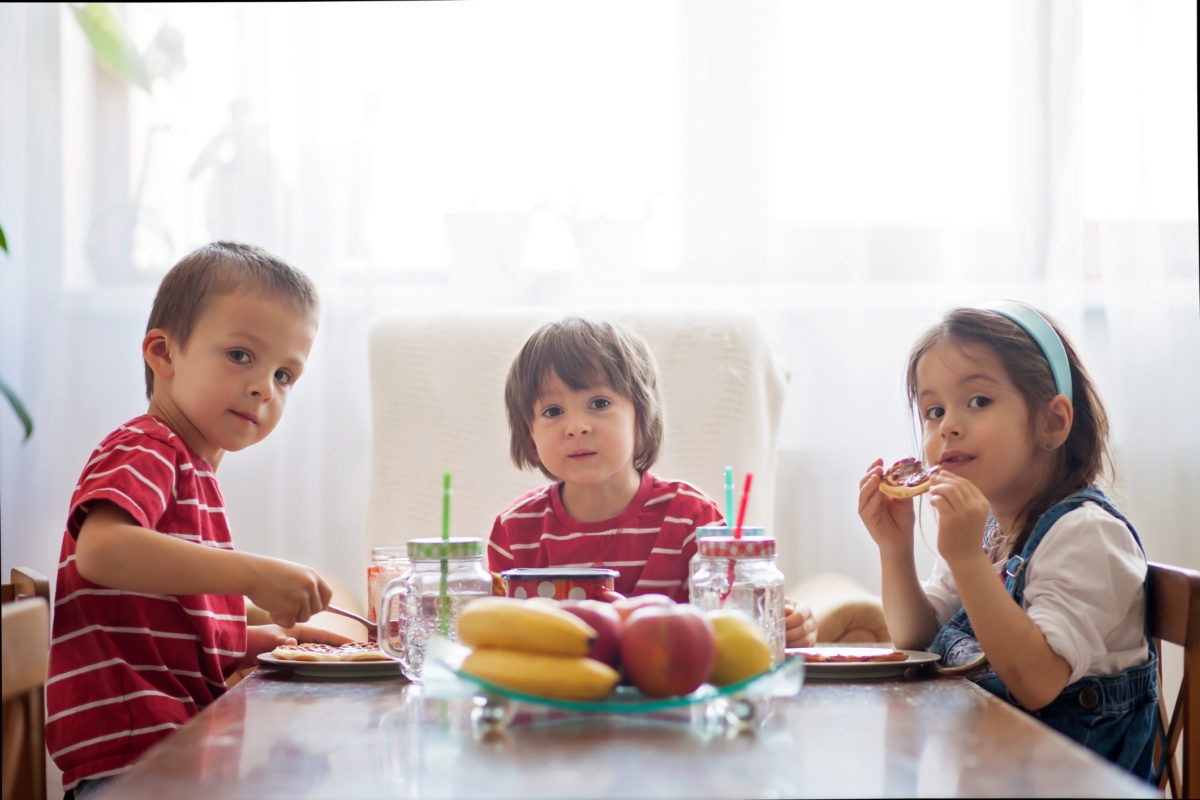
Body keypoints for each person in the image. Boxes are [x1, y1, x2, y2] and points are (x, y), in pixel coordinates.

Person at [47, 242, 351, 798]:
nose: (264, 386)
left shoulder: (192, 473)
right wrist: (255, 574)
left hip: (176, 752)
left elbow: (169, 623)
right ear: (163, 354)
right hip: (134, 762)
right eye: (241, 355)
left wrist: (268, 638)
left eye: (285, 374)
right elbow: (102, 552)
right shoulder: (145, 446)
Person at [857, 301, 1159, 781]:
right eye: (933, 411)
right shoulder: (989, 533)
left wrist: (964, 557)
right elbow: (916, 640)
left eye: (978, 401)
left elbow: (1036, 682)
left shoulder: (1086, 535)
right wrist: (894, 550)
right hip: (993, 773)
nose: (948, 425)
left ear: (1052, 423)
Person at [488, 316, 818, 647]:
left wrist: (786, 623)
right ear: (530, 437)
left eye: (599, 404)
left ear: (641, 419)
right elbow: (493, 634)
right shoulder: (515, 531)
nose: (576, 426)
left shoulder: (692, 519)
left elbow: (736, 619)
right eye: (552, 411)